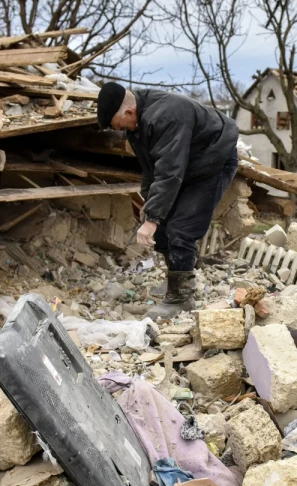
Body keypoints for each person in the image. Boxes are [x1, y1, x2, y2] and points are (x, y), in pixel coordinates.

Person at [96, 82, 240, 318]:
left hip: (213, 160)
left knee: (181, 228)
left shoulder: (166, 116)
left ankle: (181, 298)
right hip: (187, 164)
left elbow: (170, 171)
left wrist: (153, 217)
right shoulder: (138, 123)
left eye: (117, 124)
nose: (120, 130)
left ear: (129, 113)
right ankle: (179, 280)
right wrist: (148, 205)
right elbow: (151, 169)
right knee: (160, 227)